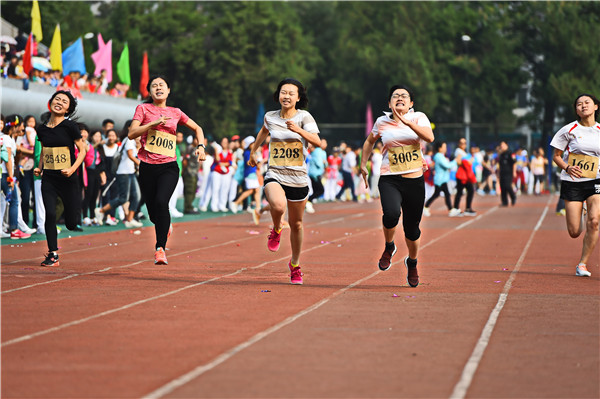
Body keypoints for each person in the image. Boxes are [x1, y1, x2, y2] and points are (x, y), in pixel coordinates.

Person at [247, 78, 321, 285]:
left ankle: (295, 265)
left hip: (298, 178)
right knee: (278, 206)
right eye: (283, 92)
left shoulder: (304, 117)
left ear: (298, 98)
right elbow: (263, 131)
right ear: (278, 95)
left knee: (297, 224)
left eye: (291, 93)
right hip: (275, 173)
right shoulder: (270, 117)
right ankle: (277, 228)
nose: (286, 96)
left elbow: (317, 141)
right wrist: (254, 151)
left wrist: (299, 131)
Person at [360, 85, 434, 287]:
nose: (399, 98)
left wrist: (406, 122)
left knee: (412, 229)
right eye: (395, 96)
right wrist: (363, 164)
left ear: (411, 103)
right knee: (391, 214)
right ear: (389, 103)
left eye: (404, 96)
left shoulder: (418, 117)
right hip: (390, 177)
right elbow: (369, 142)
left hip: (414, 180)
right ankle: (389, 246)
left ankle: (412, 262)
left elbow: (429, 137)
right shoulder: (381, 121)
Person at [127, 75, 206, 265]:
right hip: (147, 167)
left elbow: (197, 128)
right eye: (154, 86)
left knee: (162, 202)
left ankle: (160, 249)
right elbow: (131, 133)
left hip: (169, 166)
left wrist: (201, 146)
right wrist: (152, 124)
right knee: (154, 214)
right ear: (150, 92)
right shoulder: (143, 108)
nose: (158, 88)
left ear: (168, 90)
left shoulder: (176, 112)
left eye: (161, 85)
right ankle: (164, 224)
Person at [34, 90, 87, 266]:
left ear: (68, 109)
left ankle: (71, 220)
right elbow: (45, 151)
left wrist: (72, 169)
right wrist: (39, 168)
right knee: (50, 214)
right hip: (49, 177)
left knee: (72, 223)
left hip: (68, 179)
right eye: (57, 99)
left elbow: (82, 150)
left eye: (64, 102)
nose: (59, 102)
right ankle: (53, 254)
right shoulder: (41, 129)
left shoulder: (70, 127)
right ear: (50, 102)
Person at [550, 93, 600, 278]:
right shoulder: (568, 130)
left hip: (596, 181)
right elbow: (556, 156)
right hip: (573, 182)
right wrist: (568, 167)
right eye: (579, 104)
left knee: (594, 222)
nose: (583, 106)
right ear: (576, 110)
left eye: (587, 103)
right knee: (574, 231)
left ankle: (583, 264)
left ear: (596, 107)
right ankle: (583, 208)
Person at [95, 121, 143, 228]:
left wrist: (138, 145)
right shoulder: (129, 139)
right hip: (123, 173)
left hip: (130, 172)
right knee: (123, 198)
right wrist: (141, 164)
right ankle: (101, 210)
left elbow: (134, 154)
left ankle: (129, 219)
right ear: (129, 128)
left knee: (136, 196)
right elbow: (131, 155)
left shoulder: (130, 140)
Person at [423, 141, 457, 217]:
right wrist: (455, 161)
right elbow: (447, 165)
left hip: (442, 179)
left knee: (444, 194)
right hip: (440, 179)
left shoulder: (440, 156)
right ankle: (426, 207)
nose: (445, 149)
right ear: (439, 148)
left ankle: (451, 209)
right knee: (438, 194)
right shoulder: (439, 156)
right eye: (444, 147)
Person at [452, 137, 476, 216]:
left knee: (467, 191)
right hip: (462, 175)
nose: (464, 145)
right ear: (459, 144)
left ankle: (463, 208)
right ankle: (457, 209)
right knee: (462, 191)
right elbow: (458, 162)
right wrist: (467, 163)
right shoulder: (458, 151)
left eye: (465, 143)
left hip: (466, 175)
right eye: (462, 143)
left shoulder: (464, 152)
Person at [306, 138, 328, 213]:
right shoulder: (317, 151)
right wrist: (322, 163)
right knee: (321, 190)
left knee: (316, 190)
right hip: (314, 174)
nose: (325, 144)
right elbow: (319, 163)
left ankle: (308, 203)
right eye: (323, 143)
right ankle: (307, 201)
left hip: (317, 173)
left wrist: (324, 164)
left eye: (325, 143)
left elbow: (325, 163)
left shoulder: (323, 152)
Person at [497, 141, 516, 206]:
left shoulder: (510, 153)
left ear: (506, 145)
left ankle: (513, 197)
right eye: (501, 145)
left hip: (509, 173)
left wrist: (514, 171)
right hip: (502, 173)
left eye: (503, 145)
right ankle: (504, 202)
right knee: (502, 187)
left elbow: (514, 163)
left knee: (507, 186)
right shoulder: (501, 154)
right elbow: (500, 165)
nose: (501, 146)